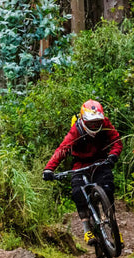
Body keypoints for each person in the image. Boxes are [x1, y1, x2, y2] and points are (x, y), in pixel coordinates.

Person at [42, 99, 122, 245]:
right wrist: (49, 169)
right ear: (84, 120)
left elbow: (116, 140)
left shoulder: (105, 125)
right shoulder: (76, 131)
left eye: (97, 122)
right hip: (80, 164)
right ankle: (87, 229)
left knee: (108, 187)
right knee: (78, 192)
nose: (95, 125)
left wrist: (113, 155)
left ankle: (113, 226)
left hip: (101, 161)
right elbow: (62, 150)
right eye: (91, 122)